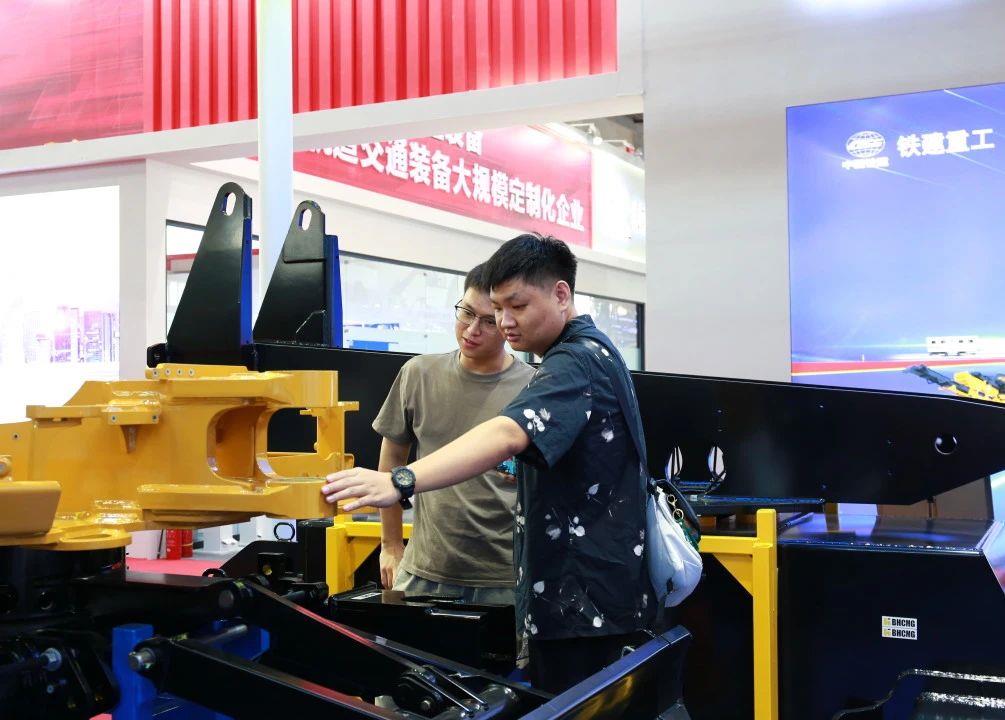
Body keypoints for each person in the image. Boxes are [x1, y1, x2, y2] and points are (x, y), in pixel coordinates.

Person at [323, 234, 652, 693]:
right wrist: (391, 540)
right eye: (494, 308)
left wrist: (402, 481)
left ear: (561, 294)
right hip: (559, 593)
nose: (503, 322)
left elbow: (506, 434)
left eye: (516, 306)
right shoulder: (588, 353)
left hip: (579, 601)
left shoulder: (572, 362)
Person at [374, 263, 534, 604]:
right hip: (423, 572)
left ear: (507, 323)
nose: (472, 330)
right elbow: (392, 461)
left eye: (488, 321)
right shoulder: (418, 374)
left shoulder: (535, 387)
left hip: (506, 577)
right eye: (466, 313)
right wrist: (390, 545)